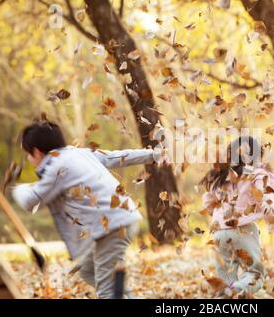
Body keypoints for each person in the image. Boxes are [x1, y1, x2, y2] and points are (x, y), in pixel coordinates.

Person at [11, 118, 164, 299]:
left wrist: (18, 188)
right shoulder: (79, 154)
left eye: (28, 154)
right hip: (122, 219)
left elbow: (31, 200)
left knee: (107, 290)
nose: (29, 159)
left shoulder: (56, 167)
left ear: (36, 152)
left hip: (113, 227)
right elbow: (118, 157)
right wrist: (154, 155)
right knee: (87, 269)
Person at [200, 136, 274, 298]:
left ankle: (227, 293)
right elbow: (265, 196)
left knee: (224, 278)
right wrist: (270, 216)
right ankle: (238, 289)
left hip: (219, 233)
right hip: (244, 230)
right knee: (254, 274)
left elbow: (207, 202)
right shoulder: (257, 173)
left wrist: (219, 217)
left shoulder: (220, 175)